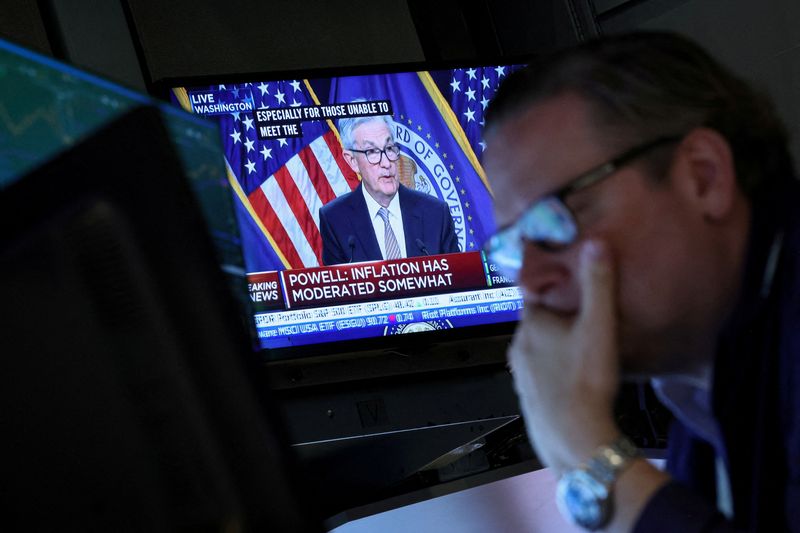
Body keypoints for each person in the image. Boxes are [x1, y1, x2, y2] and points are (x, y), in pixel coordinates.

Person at [482, 31, 799, 532]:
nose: (531, 282)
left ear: (703, 176)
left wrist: (592, 455)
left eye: (555, 220)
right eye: (514, 247)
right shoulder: (696, 408)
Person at [319, 112, 460, 265]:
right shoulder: (335, 219)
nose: (386, 163)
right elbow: (340, 287)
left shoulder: (436, 213)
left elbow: (459, 280)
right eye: (372, 152)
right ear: (352, 161)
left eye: (390, 148)